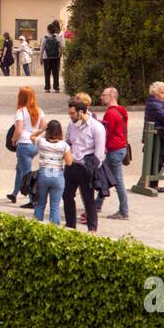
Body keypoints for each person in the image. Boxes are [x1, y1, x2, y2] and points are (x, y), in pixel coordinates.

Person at [63, 98, 106, 231]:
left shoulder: (96, 127)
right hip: (72, 164)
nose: (70, 116)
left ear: (81, 112)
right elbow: (68, 140)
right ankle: (70, 226)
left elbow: (99, 152)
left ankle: (92, 229)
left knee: (88, 199)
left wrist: (92, 169)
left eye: (72, 113)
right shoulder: (71, 124)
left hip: (86, 166)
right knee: (67, 196)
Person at [96, 86, 130, 220]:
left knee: (117, 181)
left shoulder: (110, 113)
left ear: (111, 97)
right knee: (106, 177)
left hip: (114, 149)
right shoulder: (122, 111)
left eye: (103, 95)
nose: (101, 97)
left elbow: (106, 133)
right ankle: (97, 204)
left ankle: (124, 211)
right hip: (120, 148)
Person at [7, 86, 45, 207]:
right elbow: (44, 126)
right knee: (20, 169)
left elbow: (18, 130)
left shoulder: (21, 111)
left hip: (24, 144)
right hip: (35, 144)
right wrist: (35, 135)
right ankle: (14, 193)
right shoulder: (39, 110)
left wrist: (13, 141)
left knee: (26, 173)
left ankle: (32, 199)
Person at [32, 118, 71, 224]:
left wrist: (41, 130)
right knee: (55, 206)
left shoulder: (41, 142)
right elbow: (69, 162)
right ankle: (54, 230)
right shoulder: (64, 145)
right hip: (57, 176)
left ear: (48, 130)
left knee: (40, 204)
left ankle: (35, 226)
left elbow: (32, 137)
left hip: (44, 175)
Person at [40, 22, 63, 93]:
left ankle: (47, 88)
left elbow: (42, 48)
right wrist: (60, 54)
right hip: (55, 57)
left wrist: (41, 58)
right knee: (55, 73)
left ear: (48, 30)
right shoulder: (57, 37)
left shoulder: (45, 38)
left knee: (47, 73)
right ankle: (56, 88)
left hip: (46, 58)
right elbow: (61, 46)